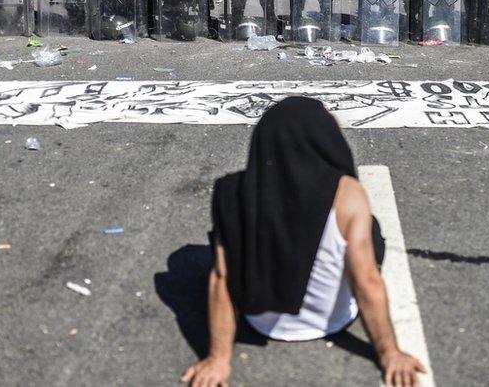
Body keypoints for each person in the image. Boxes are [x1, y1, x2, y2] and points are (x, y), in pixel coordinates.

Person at [182, 97, 426, 387]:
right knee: (369, 229)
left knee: (235, 236)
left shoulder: (231, 190)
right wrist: (390, 353)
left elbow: (222, 277)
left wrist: (218, 360)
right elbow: (367, 280)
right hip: (332, 319)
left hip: (259, 320)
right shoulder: (347, 193)